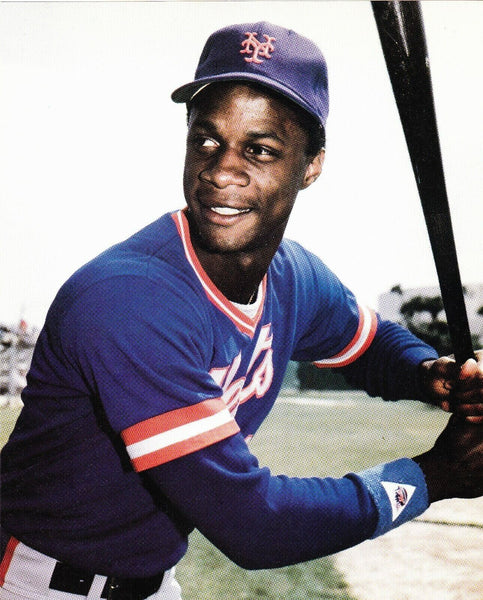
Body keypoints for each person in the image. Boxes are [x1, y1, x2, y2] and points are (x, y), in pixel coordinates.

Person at [1, 21, 482, 600]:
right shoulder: (128, 300)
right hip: (33, 582)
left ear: (311, 165)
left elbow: (372, 344)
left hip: (152, 583)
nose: (222, 170)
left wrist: (432, 375)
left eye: (260, 150)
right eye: (206, 141)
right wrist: (434, 476)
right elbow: (255, 525)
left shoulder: (293, 276)